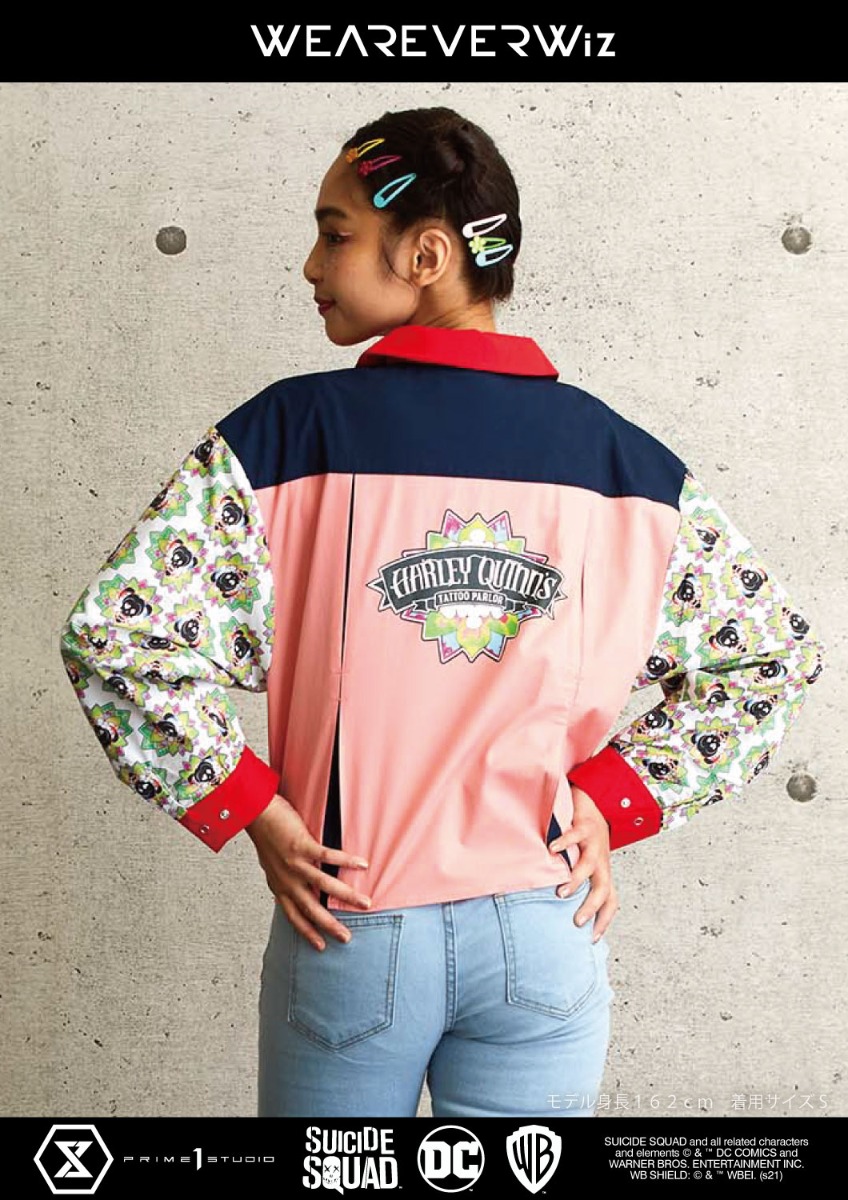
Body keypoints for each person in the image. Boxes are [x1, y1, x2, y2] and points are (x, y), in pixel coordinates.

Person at [60, 106, 826, 1119]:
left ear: (425, 254)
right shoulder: (620, 463)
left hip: (352, 920)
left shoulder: (286, 438)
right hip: (546, 925)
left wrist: (253, 808)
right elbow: (766, 657)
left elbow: (115, 636)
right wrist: (611, 799)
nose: (310, 265)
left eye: (334, 234)